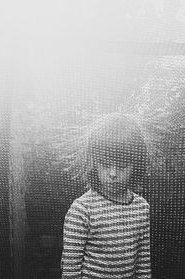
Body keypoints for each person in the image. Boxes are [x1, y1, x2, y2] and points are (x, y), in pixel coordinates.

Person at [61, 113, 151, 279]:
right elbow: (70, 272)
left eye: (122, 166)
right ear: (94, 162)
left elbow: (143, 266)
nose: (112, 174)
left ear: (136, 165)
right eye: (105, 165)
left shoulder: (141, 208)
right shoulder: (82, 210)